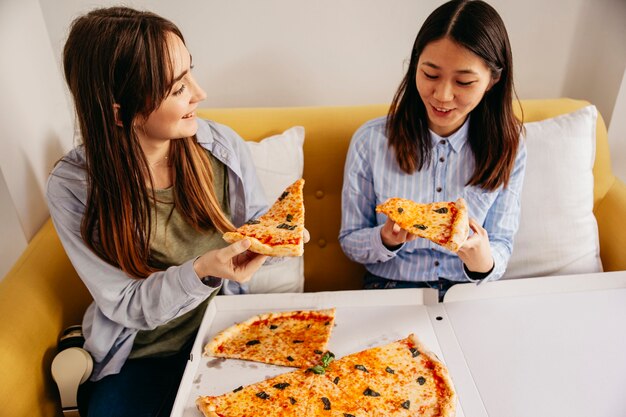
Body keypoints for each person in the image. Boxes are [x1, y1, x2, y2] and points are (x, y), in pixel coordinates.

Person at [47, 7, 276, 416]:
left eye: (191, 73)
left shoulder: (222, 147)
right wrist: (202, 269)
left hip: (224, 331)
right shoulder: (73, 188)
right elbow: (126, 304)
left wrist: (274, 237)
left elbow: (258, 220)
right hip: (137, 354)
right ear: (121, 113)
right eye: (176, 89)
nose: (200, 93)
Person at [339, 0, 527, 301]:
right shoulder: (370, 141)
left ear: (492, 80)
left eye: (464, 81)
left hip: (466, 293)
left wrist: (482, 261)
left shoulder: (509, 145)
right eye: (430, 75)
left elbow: (502, 243)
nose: (442, 95)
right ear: (415, 65)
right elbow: (350, 240)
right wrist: (386, 239)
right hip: (389, 289)